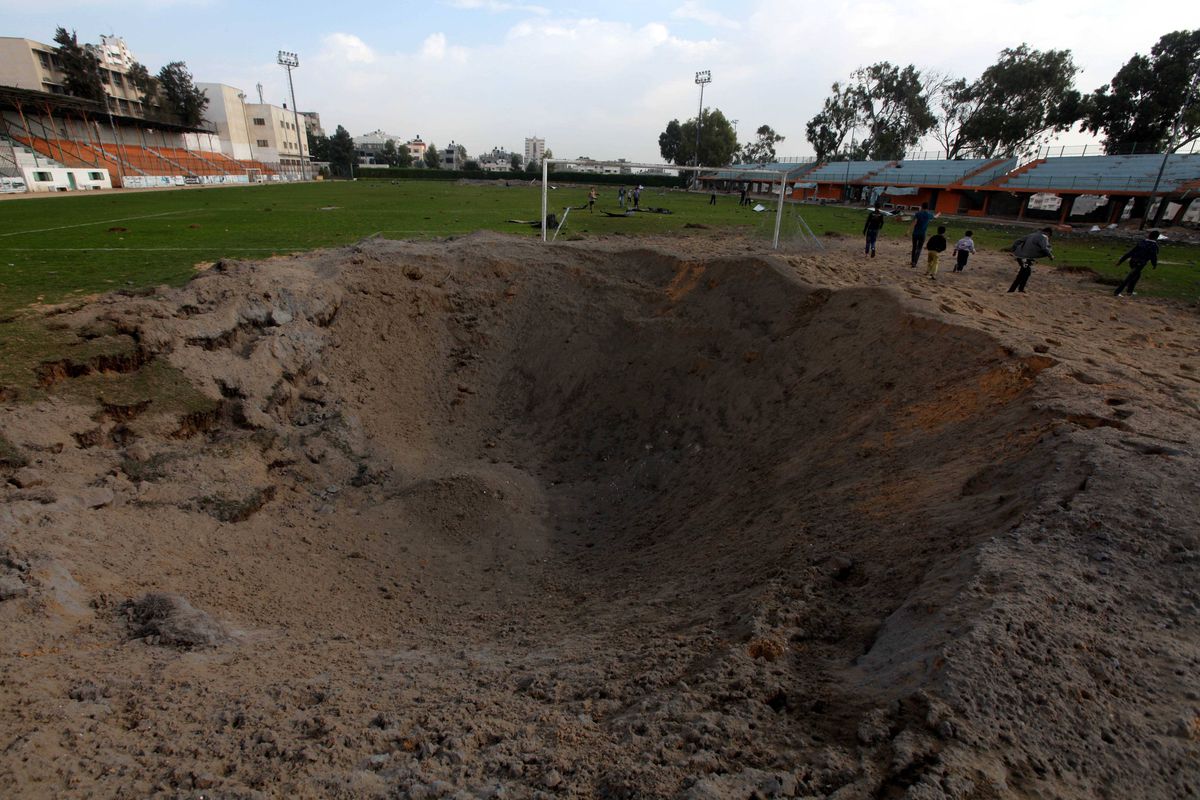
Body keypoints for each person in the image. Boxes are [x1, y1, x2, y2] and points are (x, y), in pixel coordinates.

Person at [1114, 230, 1161, 297]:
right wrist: (1154, 264)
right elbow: (1153, 257)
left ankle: (1129, 292)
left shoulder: (1142, 242)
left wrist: (1121, 261)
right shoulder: (1154, 246)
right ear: (1156, 237)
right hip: (1140, 264)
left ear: (1149, 235)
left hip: (1132, 261)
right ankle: (1117, 292)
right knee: (1129, 278)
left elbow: (1131, 252)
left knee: (1137, 276)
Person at [1007, 227, 1054, 293]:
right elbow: (1044, 248)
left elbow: (1017, 241)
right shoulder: (1044, 237)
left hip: (1020, 257)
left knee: (1024, 272)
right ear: (1048, 233)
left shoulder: (1032, 234)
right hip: (1025, 258)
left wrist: (1013, 249)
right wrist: (1050, 256)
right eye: (1049, 236)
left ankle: (1016, 290)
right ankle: (1015, 290)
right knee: (1025, 271)